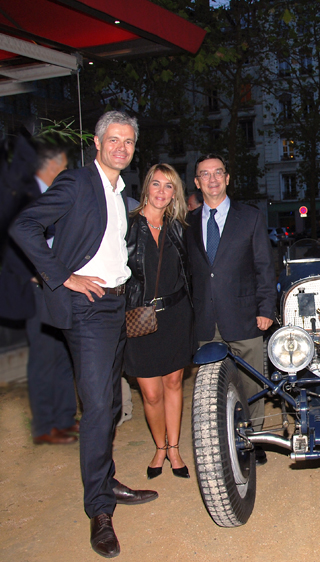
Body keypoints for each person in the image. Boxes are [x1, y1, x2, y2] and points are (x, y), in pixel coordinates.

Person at [10, 111, 158, 559]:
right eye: (113, 140)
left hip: (114, 306)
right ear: (96, 143)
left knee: (110, 402)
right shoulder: (77, 183)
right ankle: (99, 509)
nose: (121, 148)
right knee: (96, 407)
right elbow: (23, 226)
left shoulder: (120, 194)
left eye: (128, 142)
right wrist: (62, 276)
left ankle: (105, 477)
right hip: (88, 306)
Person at [186, 153, 276, 464]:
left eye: (218, 173)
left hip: (245, 317)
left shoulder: (249, 217)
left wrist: (267, 308)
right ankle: (221, 438)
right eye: (204, 174)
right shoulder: (187, 223)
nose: (212, 179)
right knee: (211, 391)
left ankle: (255, 439)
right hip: (205, 322)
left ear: (227, 178)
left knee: (253, 385)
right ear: (197, 183)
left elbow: (265, 267)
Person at [0, 138, 78, 445]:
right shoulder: (23, 197)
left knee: (61, 354)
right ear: (52, 165)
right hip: (37, 289)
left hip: (57, 284)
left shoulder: (49, 195)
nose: (66, 169)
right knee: (44, 358)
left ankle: (64, 419)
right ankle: (45, 426)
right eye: (63, 165)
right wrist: (34, 276)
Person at [124, 163, 193, 479]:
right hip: (140, 317)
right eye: (156, 184)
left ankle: (174, 448)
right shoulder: (126, 227)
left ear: (174, 193)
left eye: (169, 186)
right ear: (146, 188)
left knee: (174, 383)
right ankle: (159, 446)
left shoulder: (179, 228)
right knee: (150, 393)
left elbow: (192, 273)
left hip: (176, 315)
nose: (162, 191)